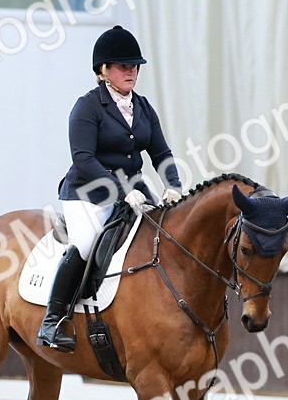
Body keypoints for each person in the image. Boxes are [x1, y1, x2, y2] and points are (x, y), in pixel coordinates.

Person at [37, 25, 183, 353]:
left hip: (135, 191)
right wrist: (120, 188)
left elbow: (161, 153)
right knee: (87, 244)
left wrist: (173, 185)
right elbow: (84, 158)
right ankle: (53, 319)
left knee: (160, 238)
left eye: (135, 66)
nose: (131, 72)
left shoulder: (143, 108)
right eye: (123, 66)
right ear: (103, 71)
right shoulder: (87, 107)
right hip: (87, 193)